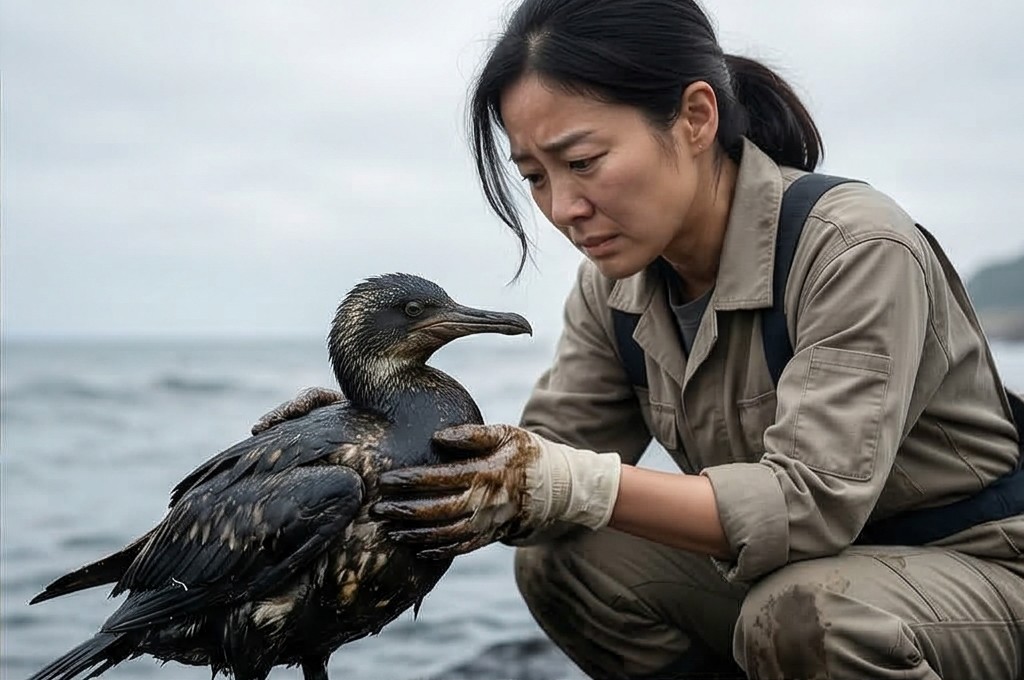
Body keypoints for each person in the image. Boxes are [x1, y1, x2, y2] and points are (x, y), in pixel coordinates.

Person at [253, 1, 1024, 678]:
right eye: (535, 177)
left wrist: (575, 484)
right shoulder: (613, 289)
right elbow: (530, 464)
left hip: (976, 570)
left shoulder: (853, 248)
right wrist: (362, 437)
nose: (563, 207)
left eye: (583, 162)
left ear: (695, 118)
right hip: (810, 576)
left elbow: (806, 505)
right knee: (564, 561)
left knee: (803, 615)